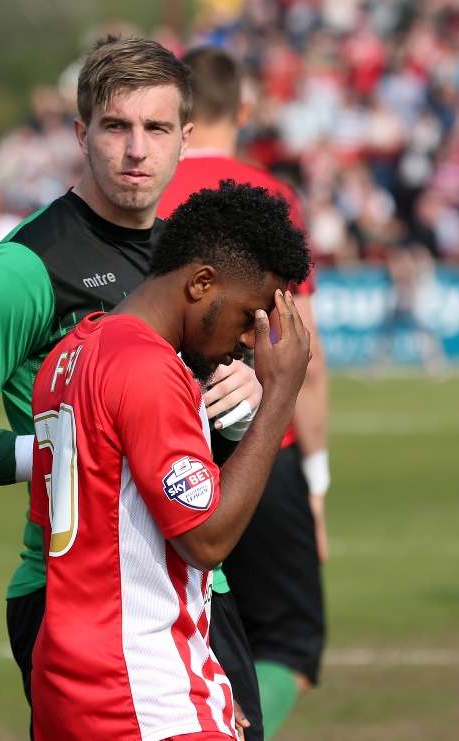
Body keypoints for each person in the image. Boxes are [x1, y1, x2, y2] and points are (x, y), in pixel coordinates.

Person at [0, 36, 264, 734]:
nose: (136, 150)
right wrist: (56, 454)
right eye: (115, 126)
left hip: (195, 587)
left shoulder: (192, 253)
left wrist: (242, 401)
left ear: (186, 137)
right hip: (75, 599)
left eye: (156, 129)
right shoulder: (23, 268)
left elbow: (187, 431)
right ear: (80, 133)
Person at [30, 181, 312, 741]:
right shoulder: (149, 370)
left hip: (72, 686)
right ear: (202, 283)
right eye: (247, 316)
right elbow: (204, 539)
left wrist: (201, 679)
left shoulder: (71, 353)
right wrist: (280, 394)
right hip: (140, 694)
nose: (249, 343)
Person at [158, 47, 332, 740]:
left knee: (175, 636)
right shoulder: (267, 197)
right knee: (289, 643)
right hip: (256, 444)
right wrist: (314, 480)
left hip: (162, 445)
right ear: (245, 109)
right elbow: (303, 354)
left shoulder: (143, 193)